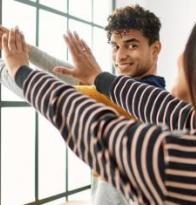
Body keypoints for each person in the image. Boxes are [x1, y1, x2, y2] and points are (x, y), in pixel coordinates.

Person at [2, 9, 196, 205]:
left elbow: (92, 124)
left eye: (190, 48)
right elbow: (163, 106)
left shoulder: (174, 158)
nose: (180, 59)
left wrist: (17, 70)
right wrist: (99, 78)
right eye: (115, 46)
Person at [0, 5, 166, 205]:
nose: (120, 56)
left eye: (132, 45)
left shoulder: (143, 102)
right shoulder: (146, 96)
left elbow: (52, 94)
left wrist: (12, 66)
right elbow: (76, 80)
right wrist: (27, 50)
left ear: (155, 49)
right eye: (115, 46)